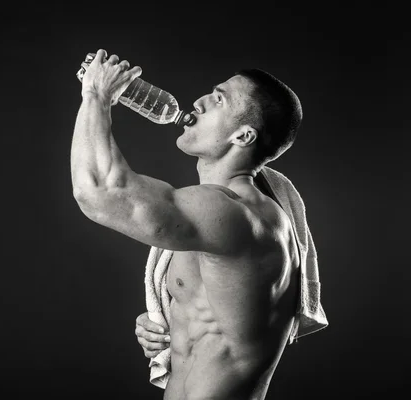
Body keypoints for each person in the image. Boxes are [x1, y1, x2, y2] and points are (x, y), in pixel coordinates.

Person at [71, 49, 305, 400]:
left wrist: (96, 95)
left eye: (218, 99)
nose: (199, 102)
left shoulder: (234, 212)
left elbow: (100, 192)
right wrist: (167, 322)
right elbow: (218, 316)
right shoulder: (224, 209)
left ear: (243, 136)